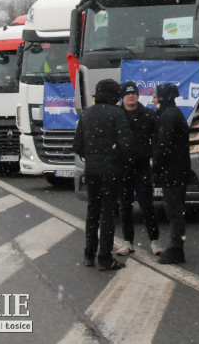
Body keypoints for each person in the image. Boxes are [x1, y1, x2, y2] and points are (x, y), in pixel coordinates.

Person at [72, 79, 127, 271]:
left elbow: (77, 145)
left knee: (92, 211)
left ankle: (89, 254)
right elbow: (125, 144)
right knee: (108, 213)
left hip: (92, 170)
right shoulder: (118, 114)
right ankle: (105, 258)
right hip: (112, 170)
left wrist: (91, 156)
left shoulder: (87, 114)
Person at [115, 80, 162, 257]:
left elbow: (157, 140)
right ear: (123, 96)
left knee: (147, 205)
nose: (131, 95)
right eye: (127, 93)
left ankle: (154, 241)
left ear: (138, 94)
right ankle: (127, 242)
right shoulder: (117, 116)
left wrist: (153, 157)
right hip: (123, 167)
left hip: (142, 166)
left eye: (133, 92)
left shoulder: (148, 115)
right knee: (125, 206)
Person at [152, 82, 191, 265]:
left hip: (172, 171)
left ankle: (176, 249)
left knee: (174, 212)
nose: (153, 99)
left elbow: (164, 147)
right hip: (179, 169)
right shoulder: (174, 113)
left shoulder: (168, 116)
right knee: (176, 210)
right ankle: (177, 247)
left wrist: (155, 166)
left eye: (156, 95)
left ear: (163, 97)